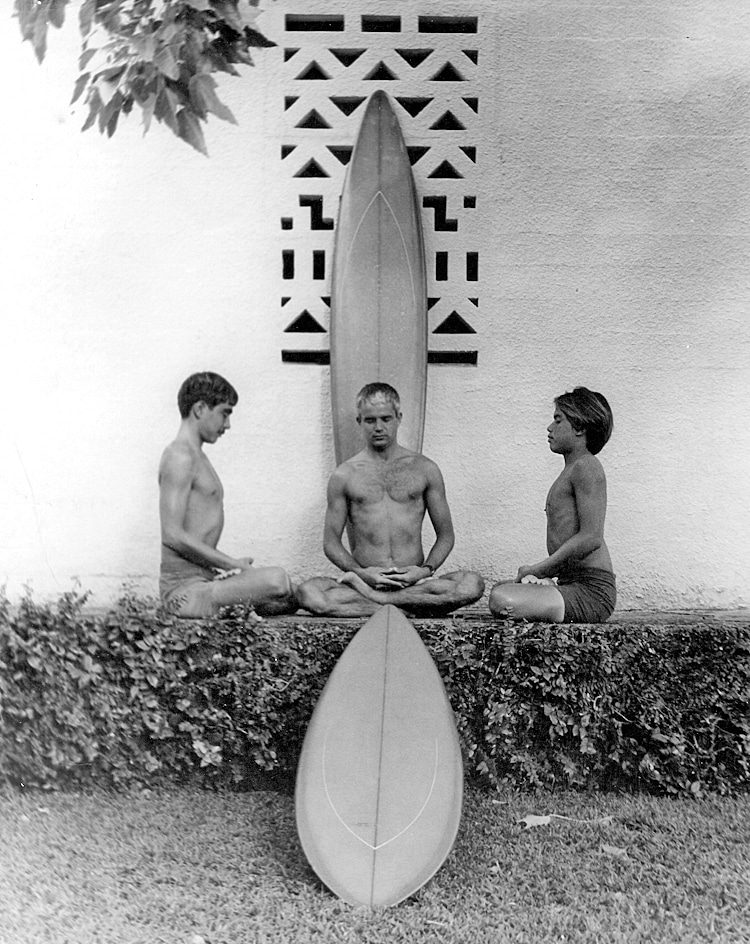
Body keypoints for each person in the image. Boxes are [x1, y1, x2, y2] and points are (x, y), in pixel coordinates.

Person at [297, 382, 485, 617]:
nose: (378, 427)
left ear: (399, 417)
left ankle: (381, 603)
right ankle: (408, 605)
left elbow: (446, 535)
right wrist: (361, 573)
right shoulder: (344, 475)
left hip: (414, 583)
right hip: (365, 582)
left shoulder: (425, 469)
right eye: (370, 420)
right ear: (359, 422)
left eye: (386, 419)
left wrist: (424, 571)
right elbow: (331, 543)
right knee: (308, 593)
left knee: (471, 584)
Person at [158, 372, 298, 618]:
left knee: (299, 594)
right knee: (278, 581)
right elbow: (172, 534)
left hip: (205, 579)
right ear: (200, 408)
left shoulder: (196, 455)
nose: (228, 424)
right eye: (225, 412)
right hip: (183, 591)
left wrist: (227, 569)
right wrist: (232, 565)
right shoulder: (179, 456)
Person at [489, 387, 616, 623]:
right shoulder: (571, 469)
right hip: (570, 583)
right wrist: (543, 576)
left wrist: (540, 570)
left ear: (579, 427)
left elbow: (591, 537)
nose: (550, 427)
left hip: (592, 591)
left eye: (558, 420)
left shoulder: (586, 466)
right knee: (502, 589)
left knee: (502, 599)